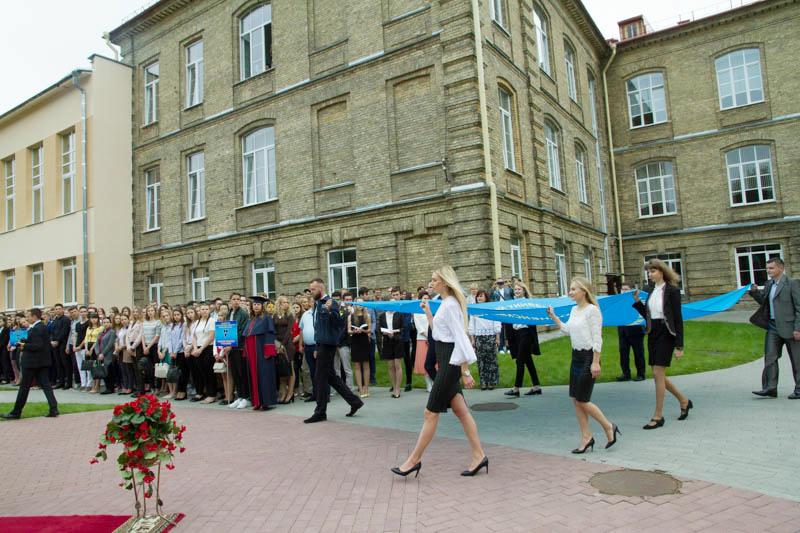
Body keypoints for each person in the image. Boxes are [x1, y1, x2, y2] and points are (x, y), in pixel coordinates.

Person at [392, 267, 487, 478]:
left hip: (450, 365)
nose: (431, 283)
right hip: (446, 362)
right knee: (462, 412)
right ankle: (479, 455)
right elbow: (439, 333)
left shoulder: (451, 305)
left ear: (444, 282)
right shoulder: (445, 304)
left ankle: (413, 461)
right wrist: (427, 313)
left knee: (430, 412)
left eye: (434, 280)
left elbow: (460, 338)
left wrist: (465, 370)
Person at [547, 278, 619, 453]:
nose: (570, 292)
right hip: (576, 357)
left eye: (573, 289)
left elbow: (597, 338)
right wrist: (554, 317)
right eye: (570, 289)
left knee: (583, 400)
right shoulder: (573, 310)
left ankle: (609, 427)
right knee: (575, 399)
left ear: (583, 291)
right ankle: (586, 437)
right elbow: (567, 330)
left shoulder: (592, 311)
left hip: (589, 358)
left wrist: (595, 362)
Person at [633, 258, 693, 429]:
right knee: (657, 374)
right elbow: (649, 315)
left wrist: (679, 346)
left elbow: (677, 319)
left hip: (667, 333)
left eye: (652, 271)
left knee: (658, 373)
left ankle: (658, 416)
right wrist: (638, 303)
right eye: (648, 272)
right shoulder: (651, 291)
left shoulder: (672, 291)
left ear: (661, 271)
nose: (650, 275)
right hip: (653, 333)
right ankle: (684, 401)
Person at [304, 278, 363, 423]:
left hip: (328, 344)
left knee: (320, 377)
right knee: (331, 377)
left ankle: (320, 412)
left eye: (313, 290)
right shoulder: (318, 303)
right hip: (322, 343)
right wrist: (317, 346)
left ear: (320, 289)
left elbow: (338, 322)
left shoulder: (332, 303)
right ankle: (354, 401)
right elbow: (319, 325)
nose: (311, 292)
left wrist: (328, 310)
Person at [747, 257, 800, 399]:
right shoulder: (769, 284)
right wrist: (755, 293)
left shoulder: (792, 284)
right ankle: (770, 388)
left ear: (781, 268)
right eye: (767, 268)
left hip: (790, 327)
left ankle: (799, 389)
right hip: (773, 327)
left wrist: (798, 328)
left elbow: (799, 307)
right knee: (770, 357)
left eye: (771, 268)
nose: (768, 271)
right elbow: (764, 303)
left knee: (797, 360)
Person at [1, 308, 59, 419]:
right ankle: (53, 408)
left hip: (33, 362)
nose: (27, 318)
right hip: (40, 362)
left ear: (34, 317)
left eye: (28, 316)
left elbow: (37, 345)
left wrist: (24, 346)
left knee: (24, 387)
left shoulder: (37, 328)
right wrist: (21, 342)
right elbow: (35, 342)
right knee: (46, 386)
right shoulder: (39, 327)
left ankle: (16, 412)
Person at [504, 282, 542, 397]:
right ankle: (536, 386)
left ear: (524, 291)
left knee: (520, 360)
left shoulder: (528, 303)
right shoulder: (512, 304)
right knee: (528, 361)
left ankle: (516, 388)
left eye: (519, 289)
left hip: (525, 333)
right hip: (516, 334)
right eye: (515, 289)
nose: (517, 291)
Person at [244, 295, 278, 411]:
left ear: (262, 306)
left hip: (261, 352)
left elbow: (269, 335)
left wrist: (268, 351)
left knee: (264, 376)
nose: (256, 306)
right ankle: (257, 401)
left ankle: (266, 402)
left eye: (258, 304)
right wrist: (246, 352)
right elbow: (247, 337)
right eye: (254, 304)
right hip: (252, 353)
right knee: (254, 377)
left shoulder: (267, 318)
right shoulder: (251, 319)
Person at [468, 289, 501, 390]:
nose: (479, 298)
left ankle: (491, 382)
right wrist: (472, 339)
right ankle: (483, 382)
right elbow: (471, 325)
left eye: (481, 296)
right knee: (481, 361)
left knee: (491, 360)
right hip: (479, 337)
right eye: (478, 296)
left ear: (486, 297)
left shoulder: (490, 308)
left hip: (490, 336)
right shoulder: (474, 309)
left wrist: (497, 338)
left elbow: (496, 322)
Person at [616, 281, 646, 382]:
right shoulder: (619, 302)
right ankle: (625, 374)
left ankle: (641, 374)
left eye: (626, 289)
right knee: (623, 353)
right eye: (622, 289)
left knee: (638, 353)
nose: (624, 291)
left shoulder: (636, 301)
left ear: (631, 290)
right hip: (623, 331)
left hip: (636, 330)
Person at [379, 288, 406, 398]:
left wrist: (395, 331)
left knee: (397, 364)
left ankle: (398, 389)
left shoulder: (399, 314)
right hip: (387, 341)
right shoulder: (382, 316)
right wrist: (385, 333)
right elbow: (379, 328)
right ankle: (394, 386)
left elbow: (404, 328)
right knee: (390, 366)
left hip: (398, 341)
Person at [227, 293, 251, 408]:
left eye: (238, 299)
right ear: (230, 301)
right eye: (234, 299)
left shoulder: (243, 314)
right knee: (235, 373)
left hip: (239, 347)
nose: (236, 301)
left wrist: (231, 344)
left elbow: (242, 331)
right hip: (231, 348)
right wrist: (225, 343)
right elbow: (226, 328)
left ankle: (246, 397)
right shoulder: (229, 313)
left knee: (242, 373)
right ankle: (240, 396)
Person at [191, 302, 217, 404]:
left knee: (209, 372)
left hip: (207, 349)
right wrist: (195, 348)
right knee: (201, 372)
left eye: (206, 309)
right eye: (202, 309)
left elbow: (211, 336)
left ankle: (212, 394)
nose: (204, 311)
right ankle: (205, 392)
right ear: (199, 311)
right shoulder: (197, 322)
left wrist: (201, 349)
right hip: (197, 349)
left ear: (209, 310)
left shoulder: (211, 321)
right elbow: (194, 336)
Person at [274, 296, 296, 404]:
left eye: (287, 302)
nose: (286, 304)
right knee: (281, 370)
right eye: (283, 302)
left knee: (290, 369)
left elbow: (288, 332)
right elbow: (273, 330)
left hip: (287, 345)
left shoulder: (290, 315)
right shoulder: (274, 316)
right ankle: (284, 392)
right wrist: (277, 345)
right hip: (277, 344)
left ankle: (290, 393)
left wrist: (282, 345)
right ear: (279, 304)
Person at [349, 298, 372, 398]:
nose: (360, 305)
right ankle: (360, 389)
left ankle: (366, 387)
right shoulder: (350, 316)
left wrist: (363, 330)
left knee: (366, 365)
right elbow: (348, 330)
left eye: (361, 303)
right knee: (357, 366)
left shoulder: (367, 316)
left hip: (364, 340)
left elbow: (370, 329)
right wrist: (354, 331)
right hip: (355, 341)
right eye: (358, 303)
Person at [413, 291, 433, 391]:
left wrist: (431, 336)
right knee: (425, 363)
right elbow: (419, 326)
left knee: (434, 363)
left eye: (427, 298)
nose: (426, 300)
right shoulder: (417, 311)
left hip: (433, 338)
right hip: (422, 339)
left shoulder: (431, 310)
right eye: (424, 298)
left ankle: (434, 382)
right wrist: (427, 336)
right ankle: (428, 384)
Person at [299, 297, 317, 403]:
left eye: (315, 301)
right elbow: (302, 330)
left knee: (320, 371)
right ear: (309, 303)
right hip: (308, 346)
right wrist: (301, 345)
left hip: (317, 346)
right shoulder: (305, 315)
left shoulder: (320, 313)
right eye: (312, 301)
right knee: (312, 371)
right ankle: (314, 393)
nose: (313, 303)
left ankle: (324, 394)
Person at [49, 303, 71, 389]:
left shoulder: (66, 320)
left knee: (65, 363)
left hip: (63, 343)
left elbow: (64, 331)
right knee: (58, 363)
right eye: (56, 309)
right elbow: (52, 332)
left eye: (59, 309)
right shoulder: (55, 320)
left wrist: (57, 340)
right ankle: (61, 381)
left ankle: (68, 382)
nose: (57, 310)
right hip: (55, 344)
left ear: (63, 309)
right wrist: (52, 341)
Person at [97, 317, 117, 395]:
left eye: (107, 322)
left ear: (110, 323)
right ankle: (106, 387)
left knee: (109, 371)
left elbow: (110, 344)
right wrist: (98, 353)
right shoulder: (101, 333)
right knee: (103, 371)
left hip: (108, 354)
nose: (105, 324)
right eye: (104, 322)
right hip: (100, 355)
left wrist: (103, 353)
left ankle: (110, 388)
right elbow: (97, 343)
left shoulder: (112, 332)